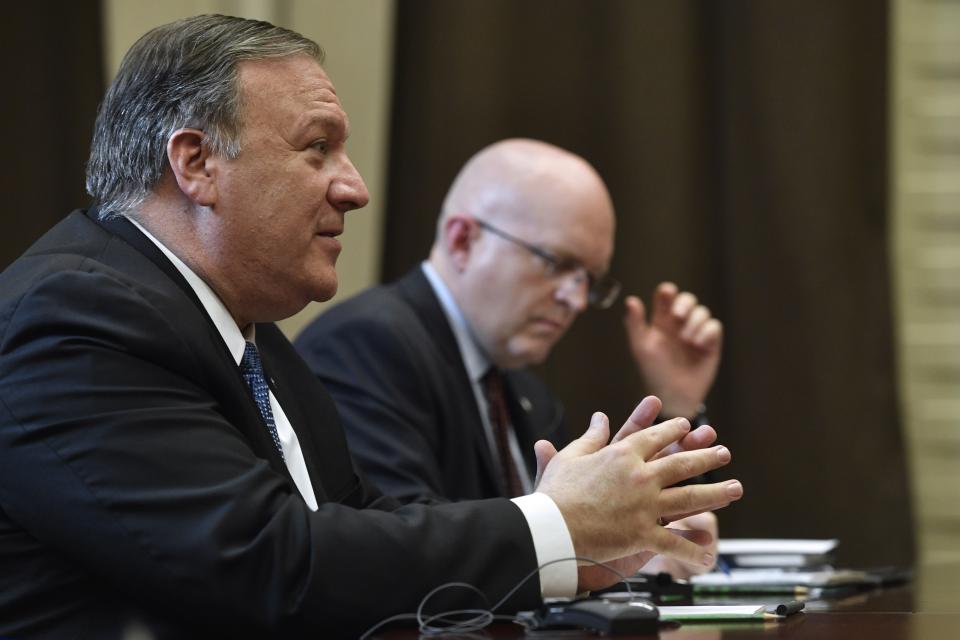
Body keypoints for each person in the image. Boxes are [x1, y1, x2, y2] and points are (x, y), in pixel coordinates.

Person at [0, 15, 742, 639]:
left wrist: (587, 549)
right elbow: (269, 566)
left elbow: (368, 527)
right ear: (195, 163)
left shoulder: (250, 339)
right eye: (316, 147)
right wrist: (557, 523)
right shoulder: (75, 318)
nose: (353, 188)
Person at [295, 139, 724, 576]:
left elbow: (572, 539)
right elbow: (400, 544)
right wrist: (592, 557)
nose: (575, 299)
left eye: (589, 280)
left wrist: (676, 409)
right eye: (555, 262)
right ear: (463, 240)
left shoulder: (524, 393)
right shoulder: (368, 344)